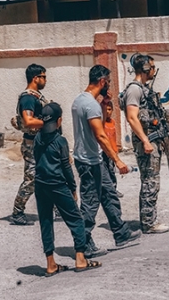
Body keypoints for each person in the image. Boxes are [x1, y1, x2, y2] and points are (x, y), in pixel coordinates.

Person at [71, 64, 141, 258]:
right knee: (90, 202)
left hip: (93, 159)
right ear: (102, 81)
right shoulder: (90, 105)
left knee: (109, 194)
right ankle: (83, 243)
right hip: (89, 161)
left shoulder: (80, 100)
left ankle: (121, 233)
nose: (108, 85)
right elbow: (101, 136)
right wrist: (117, 160)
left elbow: (92, 126)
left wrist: (104, 102)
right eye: (108, 82)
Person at [33, 102, 102, 276]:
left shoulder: (37, 139)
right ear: (60, 120)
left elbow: (36, 160)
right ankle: (80, 259)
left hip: (40, 185)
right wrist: (72, 188)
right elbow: (66, 168)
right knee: (76, 220)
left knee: (46, 222)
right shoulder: (60, 141)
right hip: (58, 185)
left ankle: (50, 264)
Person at [121, 54, 169, 234]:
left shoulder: (143, 88)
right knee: (150, 181)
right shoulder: (134, 89)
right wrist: (145, 140)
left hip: (152, 139)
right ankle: (149, 223)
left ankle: (149, 219)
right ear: (145, 69)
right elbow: (131, 118)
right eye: (152, 67)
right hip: (146, 142)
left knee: (152, 180)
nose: (154, 71)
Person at [11, 64, 49, 226]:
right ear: (36, 78)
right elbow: (28, 121)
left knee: (49, 175)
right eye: (43, 77)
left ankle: (54, 208)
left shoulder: (36, 96)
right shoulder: (28, 98)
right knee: (31, 179)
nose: (45, 80)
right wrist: (49, 123)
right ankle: (17, 212)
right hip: (32, 145)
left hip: (41, 143)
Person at [103, 101, 123, 198]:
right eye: (106, 109)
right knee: (104, 171)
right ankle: (106, 191)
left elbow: (114, 138)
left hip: (112, 152)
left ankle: (113, 189)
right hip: (103, 152)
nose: (108, 112)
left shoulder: (113, 122)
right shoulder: (101, 124)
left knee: (111, 171)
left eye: (110, 109)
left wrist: (115, 151)